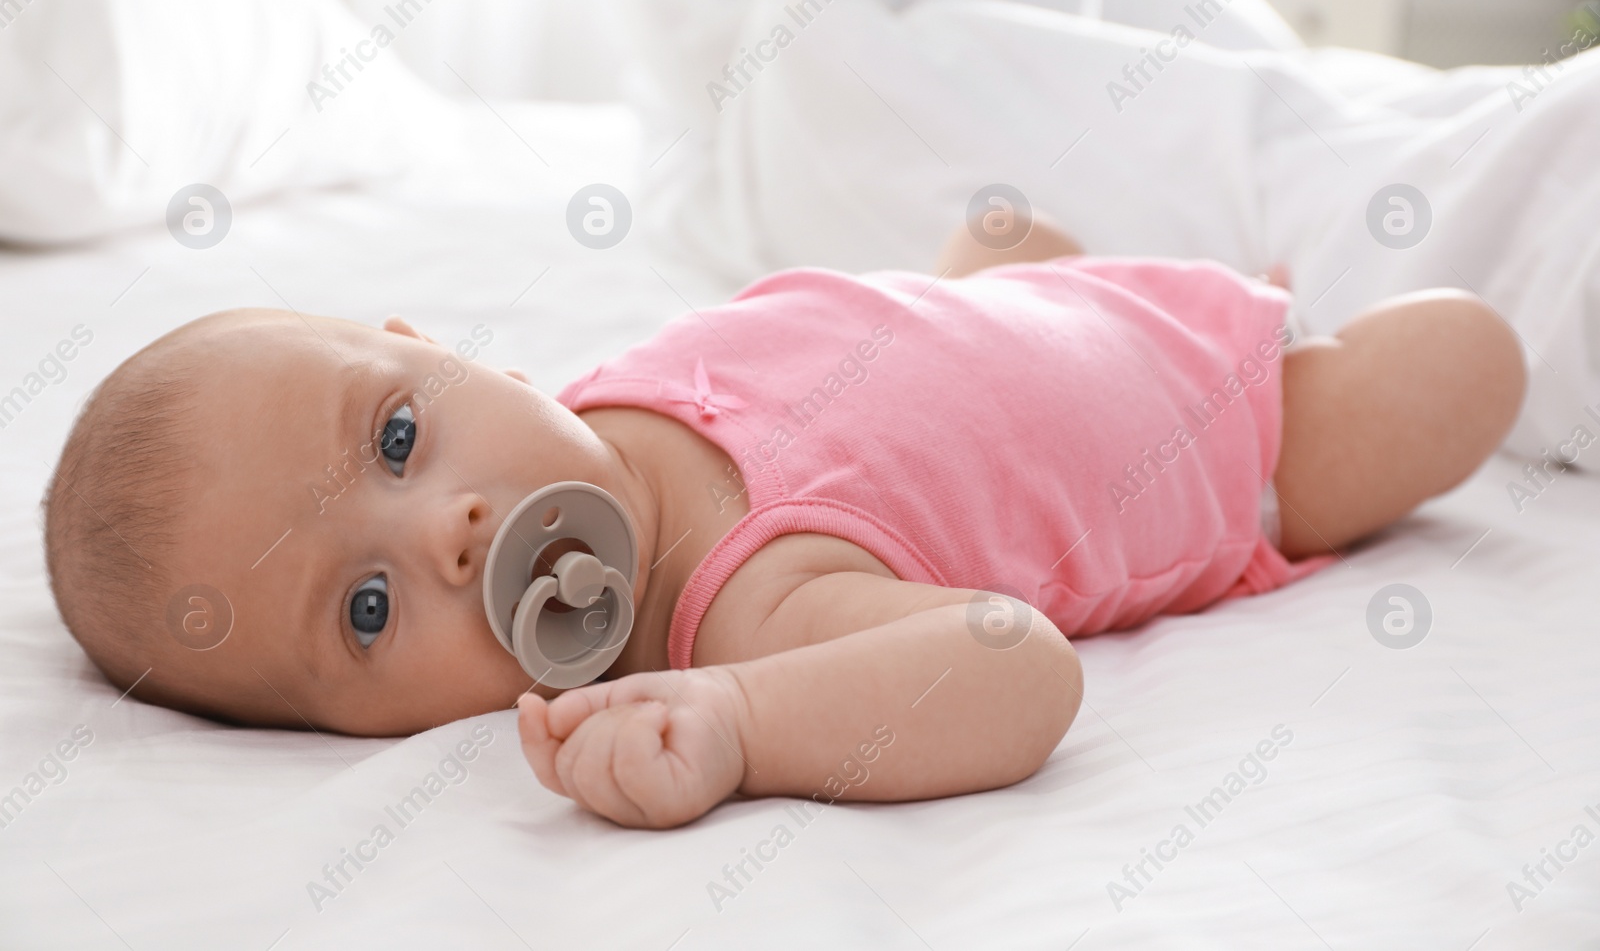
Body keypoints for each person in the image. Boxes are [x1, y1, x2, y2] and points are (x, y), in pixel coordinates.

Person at [41, 225, 1524, 828]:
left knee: (989, 246)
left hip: (1011, 306)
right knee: (1466, 361)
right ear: (344, 738)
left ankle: (1022, 257)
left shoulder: (594, 401)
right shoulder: (754, 613)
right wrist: (745, 721)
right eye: (368, 613)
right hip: (1222, 422)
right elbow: (1016, 664)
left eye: (400, 436)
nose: (451, 529)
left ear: (450, 354)